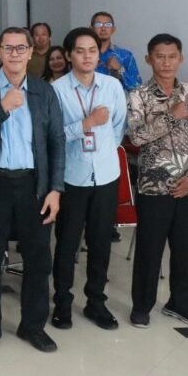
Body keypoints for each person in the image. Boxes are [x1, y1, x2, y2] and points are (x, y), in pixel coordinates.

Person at [0, 28, 65, 354]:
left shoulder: (44, 91)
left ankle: (33, 326)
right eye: (8, 48)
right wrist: (3, 108)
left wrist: (55, 189)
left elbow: (56, 142)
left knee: (38, 260)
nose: (15, 53)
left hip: (34, 186)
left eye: (21, 47)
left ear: (31, 51)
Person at [127, 33, 188, 328]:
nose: (166, 62)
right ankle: (142, 306)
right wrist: (172, 117)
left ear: (180, 58)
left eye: (171, 56)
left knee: (186, 249)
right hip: (153, 185)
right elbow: (136, 136)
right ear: (149, 59)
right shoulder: (139, 95)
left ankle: (181, 304)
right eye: (159, 56)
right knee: (150, 249)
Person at [50, 28, 127, 331]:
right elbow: (52, 136)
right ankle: (62, 304)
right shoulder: (56, 90)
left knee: (100, 244)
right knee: (67, 245)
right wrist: (86, 124)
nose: (87, 56)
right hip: (72, 176)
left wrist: (102, 146)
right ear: (69, 55)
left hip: (106, 174)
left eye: (92, 50)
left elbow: (119, 128)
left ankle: (96, 302)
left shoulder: (111, 86)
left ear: (99, 53)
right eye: (80, 51)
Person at [91, 12, 142, 91]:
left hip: (117, 102)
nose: (103, 28)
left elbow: (138, 89)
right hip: (87, 101)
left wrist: (120, 69)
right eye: (99, 24)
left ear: (113, 29)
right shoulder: (84, 56)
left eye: (108, 25)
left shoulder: (125, 56)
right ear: (91, 29)